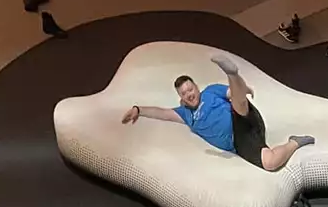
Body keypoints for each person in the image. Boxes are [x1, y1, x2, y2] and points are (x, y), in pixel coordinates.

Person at [119, 52, 314, 171]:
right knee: (270, 163)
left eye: (191, 89)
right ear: (181, 97)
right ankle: (294, 142)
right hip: (240, 141)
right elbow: (161, 112)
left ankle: (232, 72)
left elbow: (233, 94)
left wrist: (241, 88)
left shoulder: (211, 91)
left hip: (244, 118)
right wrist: (139, 109)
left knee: (237, 103)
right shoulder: (185, 114)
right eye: (184, 93)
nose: (189, 94)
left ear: (196, 87)